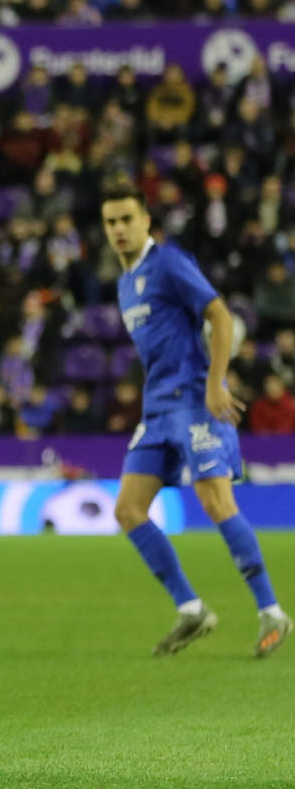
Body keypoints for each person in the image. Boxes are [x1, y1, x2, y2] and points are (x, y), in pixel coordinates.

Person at [102, 177, 290, 658]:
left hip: (194, 399)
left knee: (215, 501)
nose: (119, 229)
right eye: (111, 222)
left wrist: (215, 384)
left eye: (127, 219)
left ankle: (271, 611)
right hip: (158, 406)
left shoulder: (168, 264)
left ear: (146, 220)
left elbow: (220, 316)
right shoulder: (125, 282)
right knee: (127, 509)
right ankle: (191, 609)